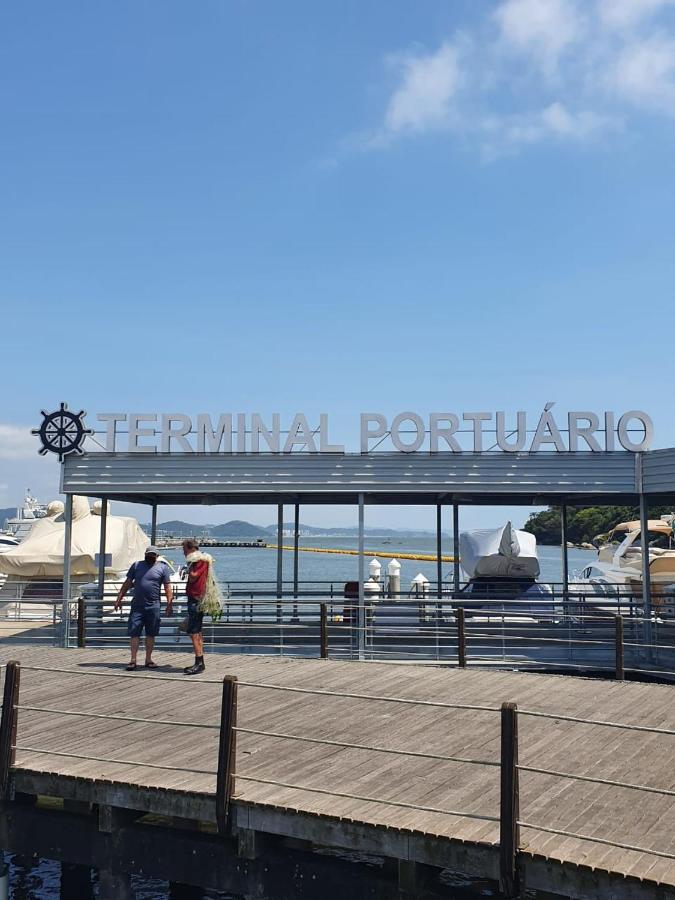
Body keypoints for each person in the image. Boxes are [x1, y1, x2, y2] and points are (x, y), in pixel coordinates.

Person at [114, 546, 173, 671]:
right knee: (134, 632)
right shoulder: (136, 565)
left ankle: (148, 659)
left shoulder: (163, 568)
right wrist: (119, 598)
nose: (150, 557)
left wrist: (169, 604)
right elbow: (127, 583)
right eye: (148, 554)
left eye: (152, 555)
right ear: (144, 554)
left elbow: (167, 587)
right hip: (137, 605)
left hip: (154, 606)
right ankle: (133, 660)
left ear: (157, 556)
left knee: (151, 633)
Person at [182, 538, 211, 675]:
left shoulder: (199, 561)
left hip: (196, 598)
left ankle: (199, 662)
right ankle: (200, 661)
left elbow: (194, 576)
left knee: (193, 631)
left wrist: (187, 570)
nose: (183, 552)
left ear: (190, 548)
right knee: (197, 630)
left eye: (184, 549)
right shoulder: (202, 560)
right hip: (198, 597)